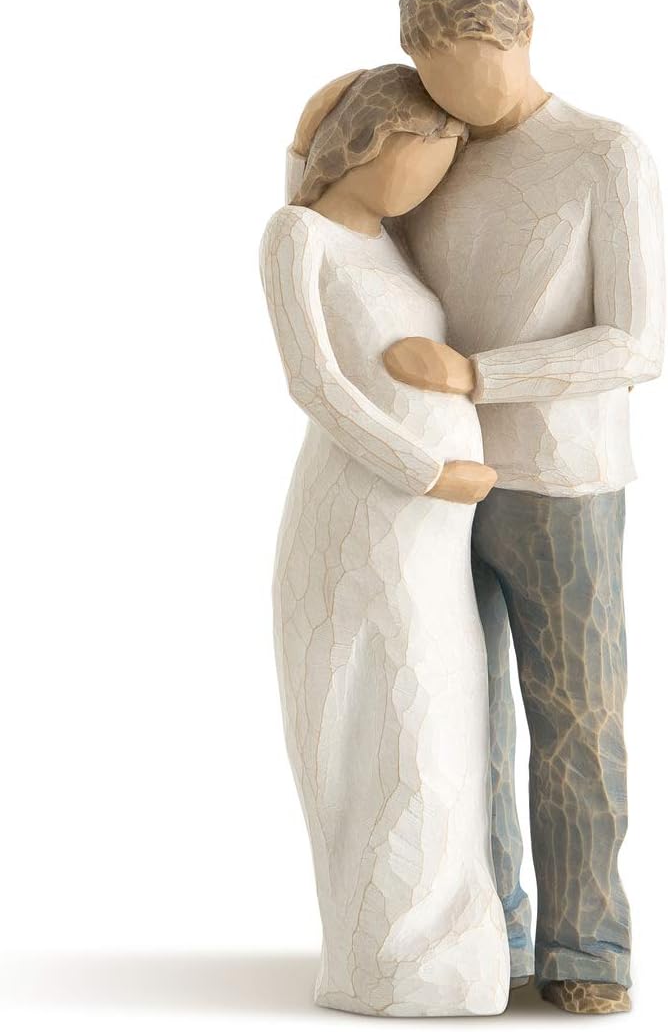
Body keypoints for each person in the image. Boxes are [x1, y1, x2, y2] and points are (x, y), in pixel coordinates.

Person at [285, 0, 665, 1015]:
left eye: (474, 66)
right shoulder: (435, 149)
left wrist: (478, 375)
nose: (456, 97)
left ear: (523, 32)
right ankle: (489, 928)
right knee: (458, 721)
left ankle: (587, 947)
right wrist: (305, 147)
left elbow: (638, 341)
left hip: (562, 481)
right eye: (434, 71)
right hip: (429, 496)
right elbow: (344, 246)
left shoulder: (604, 153)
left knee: (576, 717)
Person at [259, 64, 510, 1017]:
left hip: (432, 540)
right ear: (370, 142)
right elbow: (315, 383)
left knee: (444, 721)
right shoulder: (297, 235)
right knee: (387, 725)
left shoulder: (393, 243)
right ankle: (382, 959)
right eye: (429, 153)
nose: (438, 177)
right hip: (365, 517)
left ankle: (453, 945)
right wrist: (428, 470)